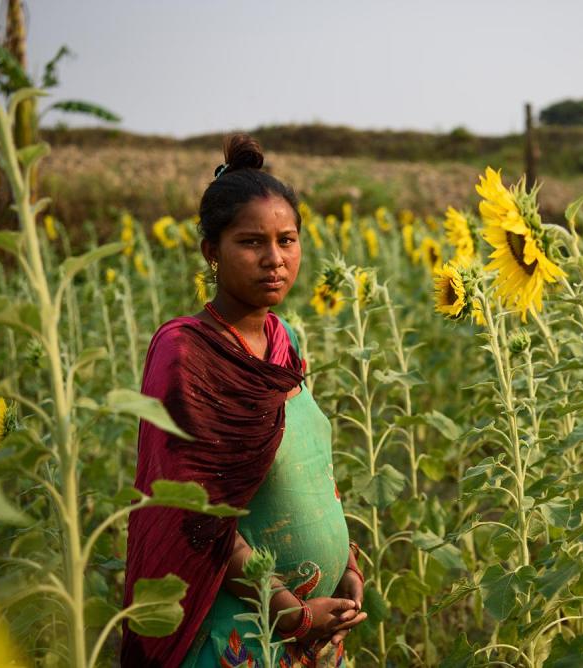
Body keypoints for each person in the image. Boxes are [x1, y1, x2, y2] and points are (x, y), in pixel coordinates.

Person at [121, 134, 367, 667]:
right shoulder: (187, 353)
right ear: (212, 251)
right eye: (252, 242)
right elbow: (199, 516)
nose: (274, 259)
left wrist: (347, 564)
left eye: (288, 239)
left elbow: (310, 468)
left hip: (319, 632)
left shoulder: (286, 340)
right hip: (245, 633)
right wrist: (289, 612)